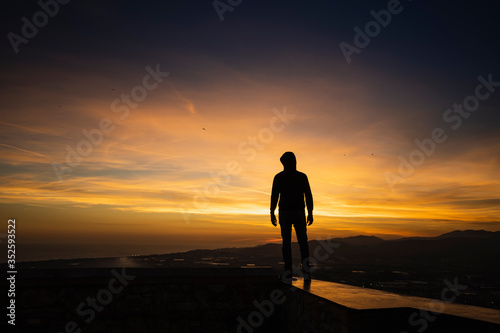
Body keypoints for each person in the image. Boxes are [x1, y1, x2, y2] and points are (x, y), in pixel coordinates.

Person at [270, 152, 313, 282]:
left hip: (287, 212)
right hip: (297, 212)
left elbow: (274, 196)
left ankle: (288, 272)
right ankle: (305, 272)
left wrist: (272, 212)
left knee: (288, 243)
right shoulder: (301, 176)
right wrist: (310, 212)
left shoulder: (279, 177)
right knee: (302, 243)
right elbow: (308, 195)